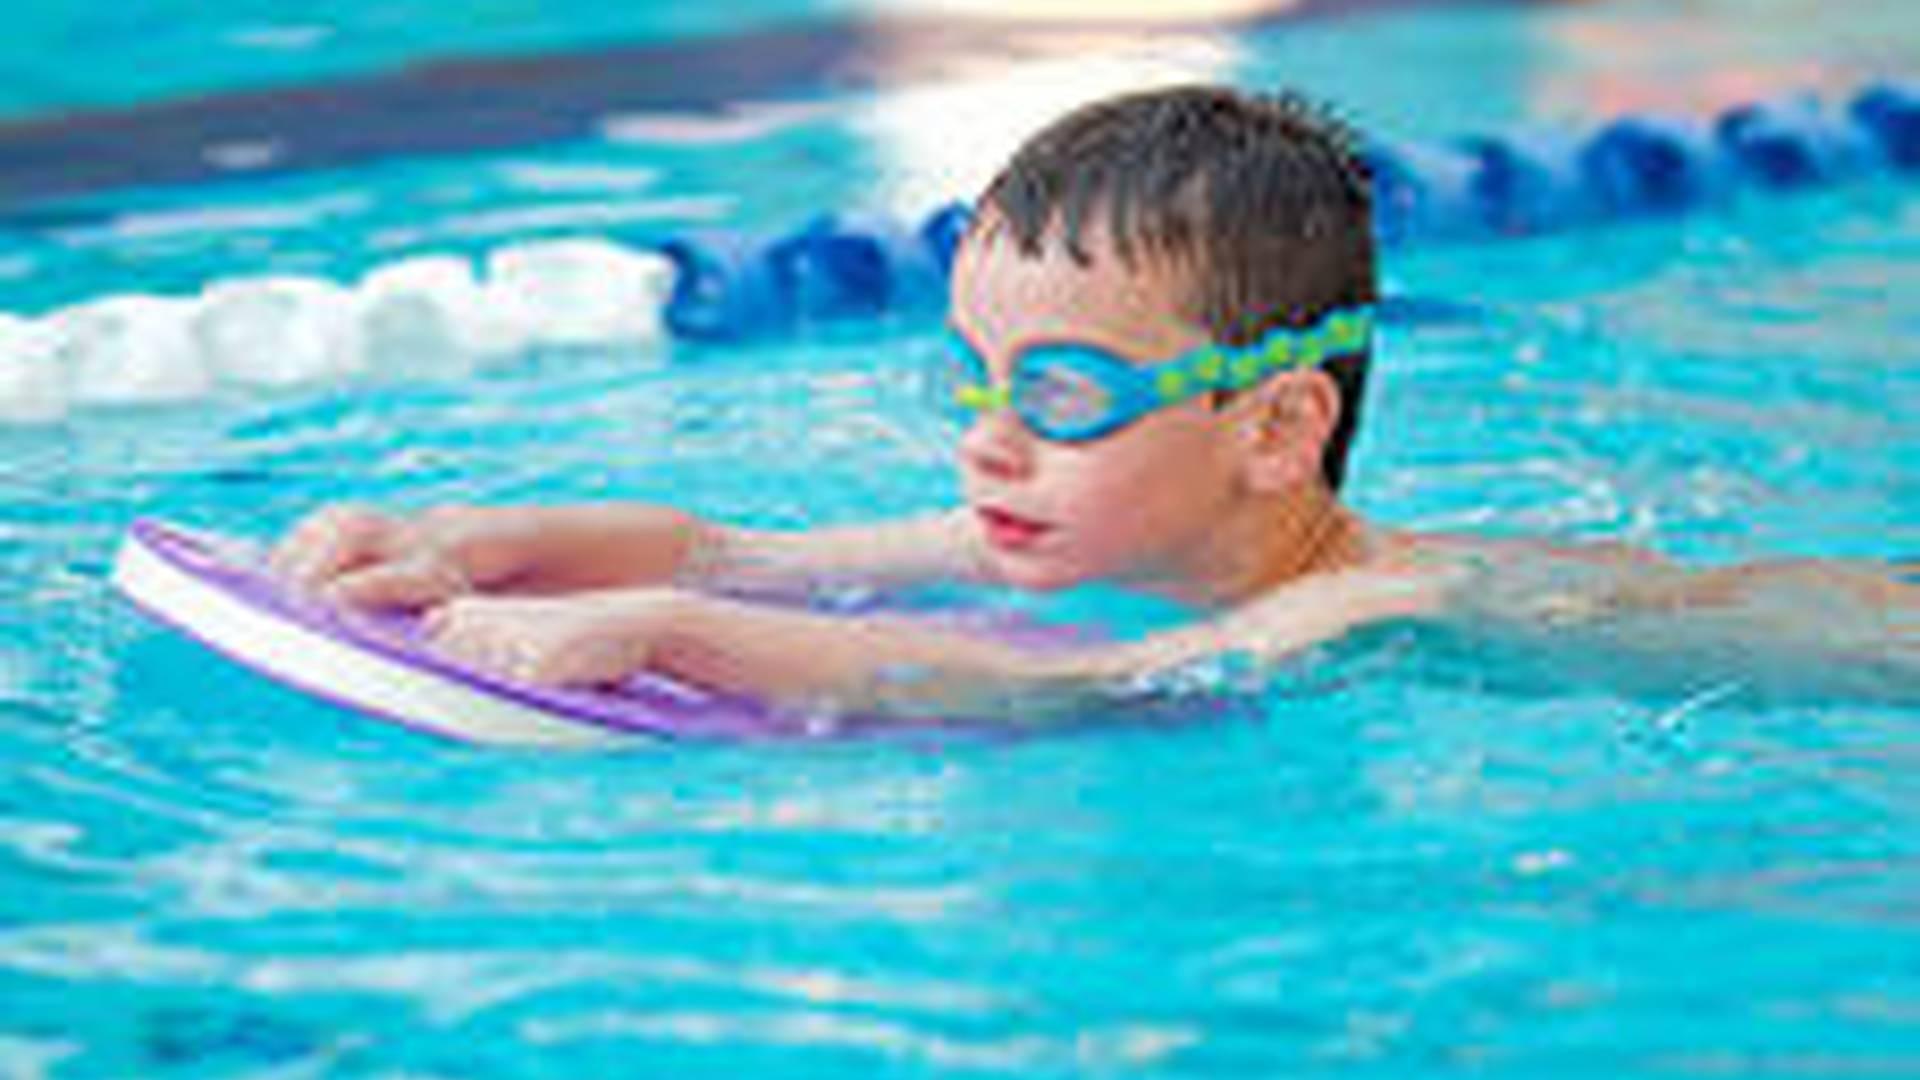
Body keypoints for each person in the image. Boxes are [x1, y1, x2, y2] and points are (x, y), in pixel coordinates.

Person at [270, 86, 1916, 720]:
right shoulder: (1083, 523)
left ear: (1275, 429)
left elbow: (1095, 693)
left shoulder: (1358, 605)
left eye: (1058, 392)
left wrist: (667, 640)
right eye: (974, 378)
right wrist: (473, 547)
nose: (988, 437)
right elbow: (738, 547)